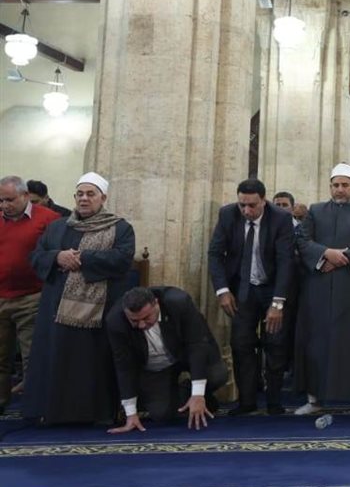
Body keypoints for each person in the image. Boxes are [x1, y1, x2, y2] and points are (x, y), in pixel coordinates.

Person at [25, 172, 135, 425]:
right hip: (57, 309)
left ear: (103, 198)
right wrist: (57, 257)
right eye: (80, 194)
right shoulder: (57, 227)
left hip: (98, 313)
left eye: (90, 194)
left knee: (91, 364)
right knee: (56, 361)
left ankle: (94, 414)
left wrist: (82, 258)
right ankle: (53, 413)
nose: (84, 199)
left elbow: (122, 259)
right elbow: (36, 257)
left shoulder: (120, 228)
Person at [294, 163, 350, 415]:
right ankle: (313, 400)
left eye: (345, 185)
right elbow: (302, 239)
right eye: (336, 185)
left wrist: (343, 258)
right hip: (319, 287)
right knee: (315, 343)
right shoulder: (315, 210)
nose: (340, 190)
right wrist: (325, 253)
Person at [207, 179, 296, 415]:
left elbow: (286, 262)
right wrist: (222, 290)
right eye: (242, 205)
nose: (246, 210)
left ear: (263, 201)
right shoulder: (228, 215)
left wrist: (278, 303)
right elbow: (215, 254)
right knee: (241, 343)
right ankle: (247, 402)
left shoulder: (281, 219)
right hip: (242, 288)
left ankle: (274, 402)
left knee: (275, 344)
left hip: (273, 288)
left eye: (252, 205)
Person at [105, 286, 227, 433]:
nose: (142, 325)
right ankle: (186, 397)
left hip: (184, 354)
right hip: (154, 368)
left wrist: (197, 394)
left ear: (156, 303)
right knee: (161, 413)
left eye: (146, 318)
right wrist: (131, 414)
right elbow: (124, 367)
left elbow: (196, 345)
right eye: (135, 321)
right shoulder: (115, 320)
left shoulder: (179, 302)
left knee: (217, 375)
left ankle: (195, 395)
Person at [0, 176, 60, 415]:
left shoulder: (49, 219)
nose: (4, 205)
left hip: (32, 297)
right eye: (1, 200)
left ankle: (35, 407)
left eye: (9, 200)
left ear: (25, 196)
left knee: (33, 357)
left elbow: (56, 253)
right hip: (1, 295)